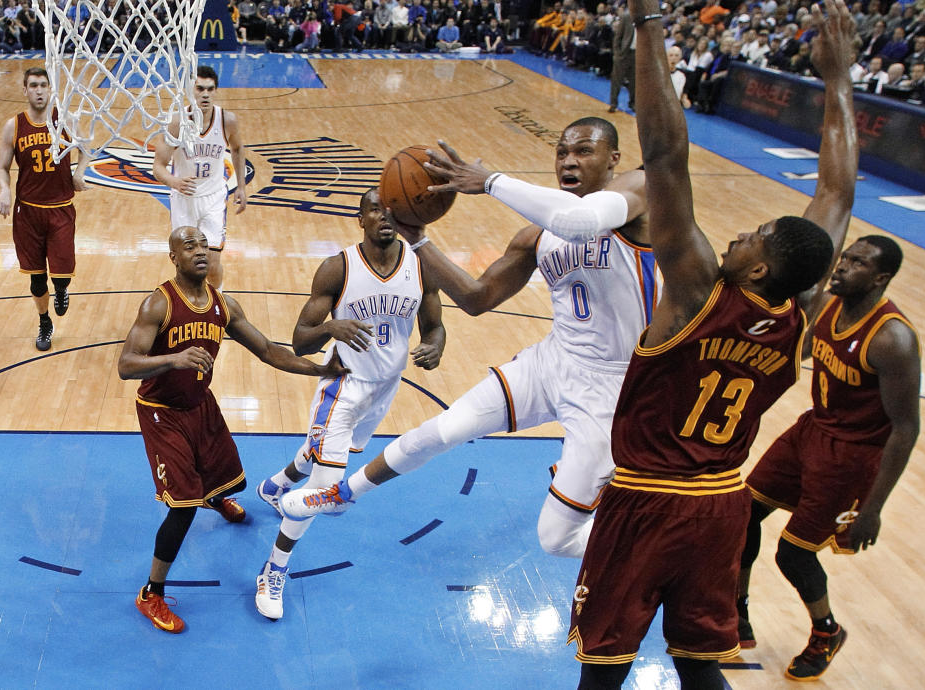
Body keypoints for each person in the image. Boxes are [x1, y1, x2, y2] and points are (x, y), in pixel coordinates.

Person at [566, 1, 859, 688]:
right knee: (698, 665)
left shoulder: (700, 289)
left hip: (647, 500)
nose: (738, 235)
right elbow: (838, 194)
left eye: (752, 236)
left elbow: (665, 154)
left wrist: (647, 26)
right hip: (722, 504)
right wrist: (840, 84)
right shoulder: (801, 311)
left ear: (757, 267)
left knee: (603, 666)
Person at [277, 117, 653, 568]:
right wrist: (418, 241)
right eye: (561, 151)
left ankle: (651, 543)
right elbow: (476, 299)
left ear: (613, 158)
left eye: (584, 151)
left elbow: (579, 220)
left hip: (612, 384)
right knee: (441, 430)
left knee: (555, 538)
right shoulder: (536, 236)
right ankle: (340, 494)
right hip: (552, 361)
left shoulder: (640, 194)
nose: (569, 160)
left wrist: (490, 181)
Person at [118, 226, 346, 634]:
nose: (200, 251)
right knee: (183, 505)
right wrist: (172, 359)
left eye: (204, 244)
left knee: (224, 470)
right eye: (189, 246)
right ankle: (151, 593)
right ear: (174, 257)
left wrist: (320, 369)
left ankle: (215, 495)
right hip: (161, 411)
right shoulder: (159, 304)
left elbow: (269, 351)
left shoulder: (225, 305)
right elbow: (126, 364)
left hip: (199, 405)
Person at [253, 188, 446, 620]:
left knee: (325, 456)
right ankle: (273, 569)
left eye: (392, 210)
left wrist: (434, 347)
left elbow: (435, 327)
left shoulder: (421, 266)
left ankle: (275, 486)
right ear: (360, 219)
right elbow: (301, 340)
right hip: (342, 387)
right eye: (375, 209)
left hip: (385, 389)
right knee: (328, 495)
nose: (385, 216)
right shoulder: (337, 268)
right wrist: (332, 327)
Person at [738, 235, 920, 680]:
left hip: (852, 458)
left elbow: (906, 428)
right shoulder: (831, 303)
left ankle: (826, 631)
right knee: (740, 514)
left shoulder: (892, 339)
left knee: (793, 554)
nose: (841, 267)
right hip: (812, 429)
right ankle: (734, 609)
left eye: (856, 263)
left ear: (880, 279)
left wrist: (873, 510)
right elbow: (804, 349)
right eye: (844, 257)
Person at [0, 67, 90, 351]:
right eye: (33, 85)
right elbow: (1, 167)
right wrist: (4, 189)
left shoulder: (65, 120)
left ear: (51, 90)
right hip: (28, 213)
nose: (38, 90)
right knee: (37, 279)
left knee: (61, 276)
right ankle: (44, 322)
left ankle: (60, 291)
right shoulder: (14, 126)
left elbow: (85, 148)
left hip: (60, 209)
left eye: (43, 85)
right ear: (25, 90)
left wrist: (79, 173)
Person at [152, 66, 247, 289]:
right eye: (200, 89)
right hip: (184, 199)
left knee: (212, 264)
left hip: (213, 197)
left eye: (210, 89)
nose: (205, 94)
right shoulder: (177, 123)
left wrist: (241, 187)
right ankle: (188, 307)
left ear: (216, 91)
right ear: (191, 91)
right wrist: (173, 181)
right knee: (186, 263)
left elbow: (238, 149)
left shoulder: (227, 120)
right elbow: (158, 167)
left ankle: (217, 305)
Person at [608, 6, 635, 112]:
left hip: (637, 54)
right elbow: (618, 37)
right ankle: (613, 103)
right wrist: (617, 53)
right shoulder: (626, 17)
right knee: (616, 80)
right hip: (624, 53)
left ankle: (633, 103)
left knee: (634, 82)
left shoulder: (645, 19)